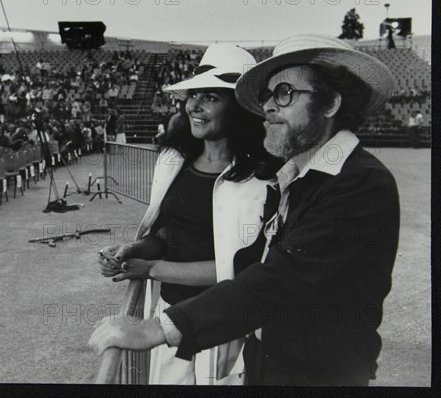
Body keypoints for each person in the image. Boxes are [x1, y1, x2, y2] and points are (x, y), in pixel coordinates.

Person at [90, 34, 401, 386]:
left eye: (284, 94)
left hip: (318, 376)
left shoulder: (360, 182)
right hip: (267, 365)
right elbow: (245, 263)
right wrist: (146, 261)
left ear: (330, 103)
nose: (267, 107)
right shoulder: (297, 175)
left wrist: (157, 327)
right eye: (267, 96)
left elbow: (281, 279)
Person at [96, 44, 281, 385]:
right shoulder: (174, 161)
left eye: (211, 96)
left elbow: (241, 271)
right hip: (168, 317)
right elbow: (168, 234)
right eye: (194, 94)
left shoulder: (263, 179)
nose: (195, 105)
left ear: (239, 107)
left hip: (225, 326)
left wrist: (152, 268)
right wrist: (134, 250)